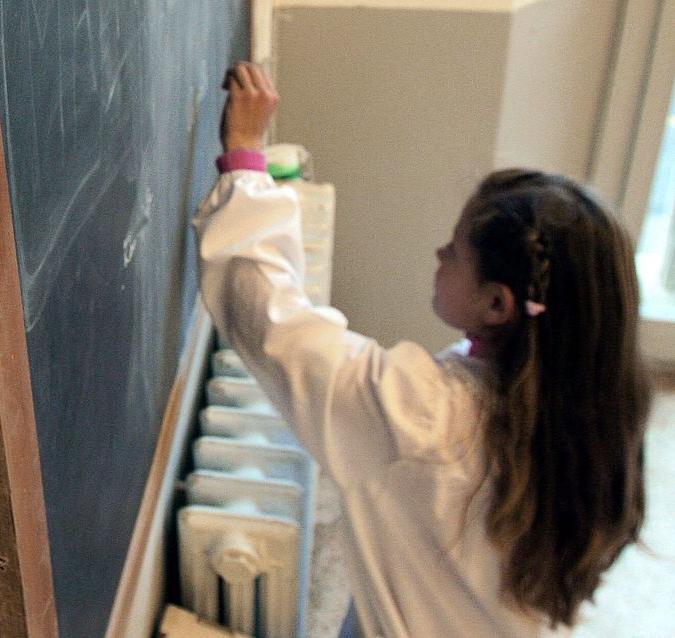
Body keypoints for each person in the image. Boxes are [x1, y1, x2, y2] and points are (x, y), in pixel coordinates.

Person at [194, 62, 653, 637]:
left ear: (498, 305)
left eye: (456, 251)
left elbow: (267, 317)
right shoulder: (590, 415)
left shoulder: (424, 418)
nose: (440, 253)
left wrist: (244, 157)